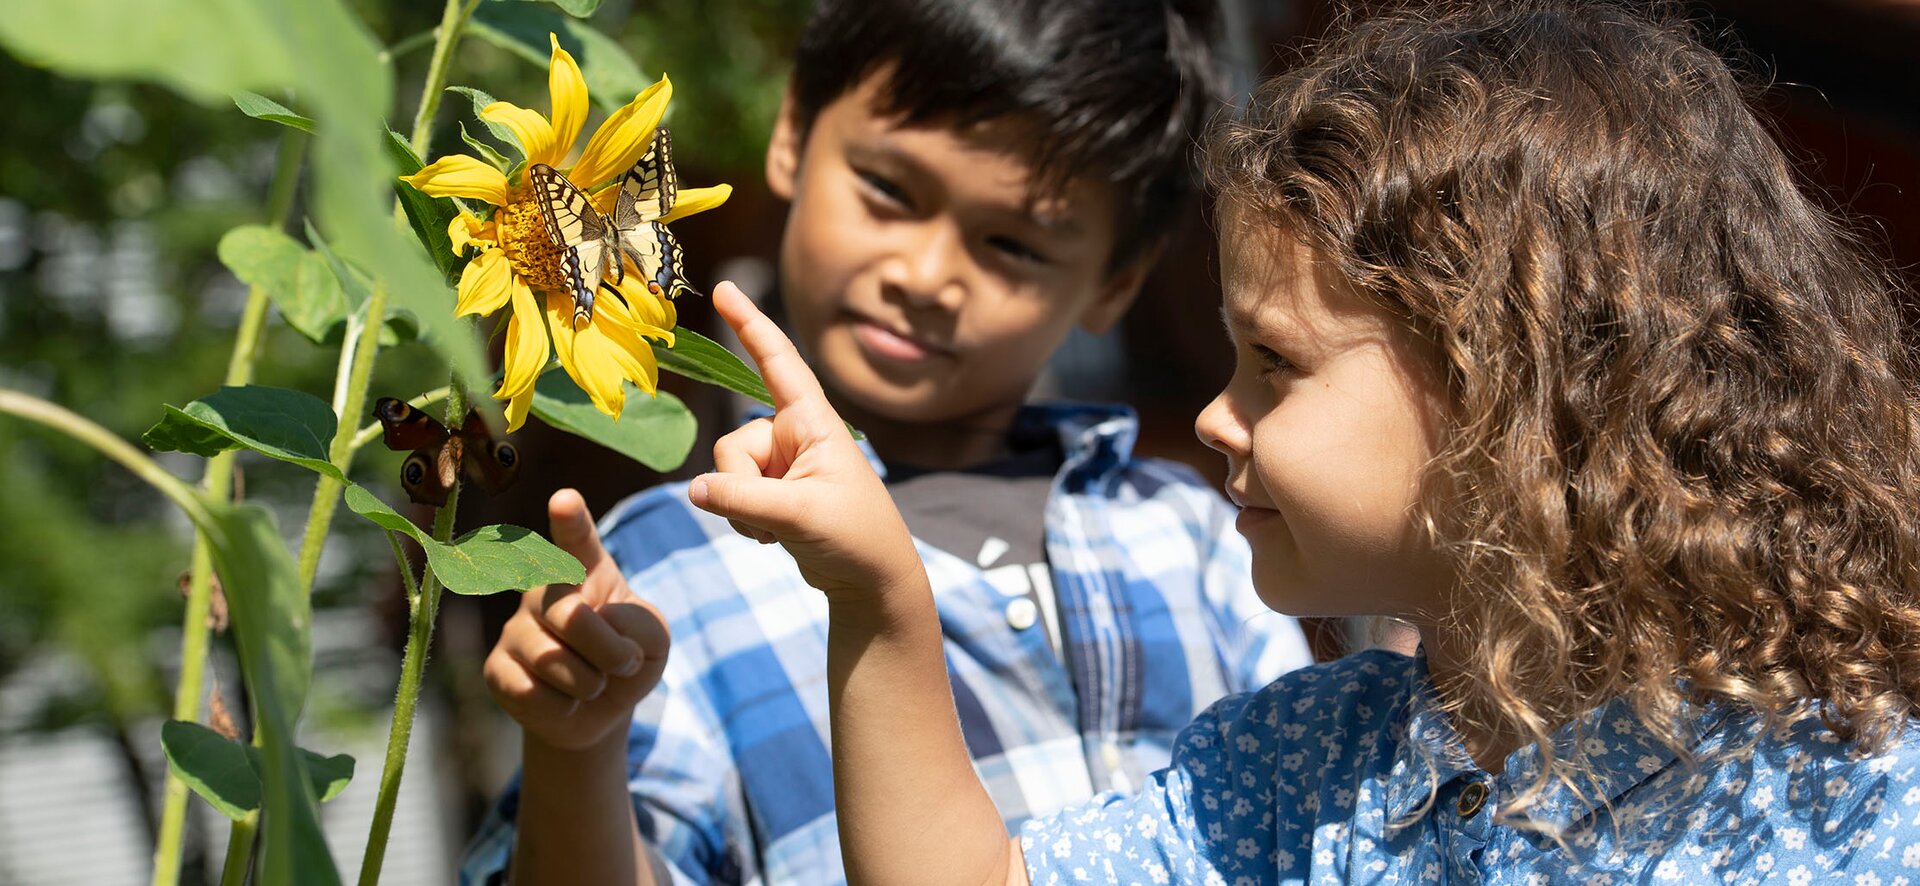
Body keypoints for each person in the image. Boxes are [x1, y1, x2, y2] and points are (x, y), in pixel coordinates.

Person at [684, 1, 1920, 882]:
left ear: (1510, 392)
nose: (1215, 417)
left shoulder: (1842, 802)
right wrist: (881, 598)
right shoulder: (1301, 766)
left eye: (1276, 363)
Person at [459, 0, 1317, 881]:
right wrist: (578, 750)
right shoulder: (668, 565)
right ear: (793, 133)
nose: (926, 276)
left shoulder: (1197, 539)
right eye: (890, 192)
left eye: (1012, 245)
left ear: (1114, 284)